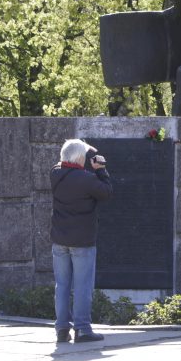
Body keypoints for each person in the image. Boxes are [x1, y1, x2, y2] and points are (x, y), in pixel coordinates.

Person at [50, 139, 112, 343]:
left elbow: (65, 162)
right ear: (80, 158)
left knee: (62, 285)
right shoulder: (87, 179)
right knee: (83, 286)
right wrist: (100, 168)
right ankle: (83, 329)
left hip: (59, 240)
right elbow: (106, 192)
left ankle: (61, 329)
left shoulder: (55, 174)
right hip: (82, 242)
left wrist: (82, 150)